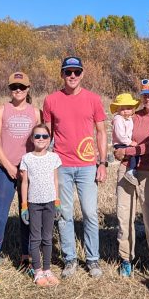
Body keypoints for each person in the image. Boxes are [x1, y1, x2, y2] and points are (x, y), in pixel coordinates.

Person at [41, 56, 108, 278]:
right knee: (65, 214)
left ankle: (93, 259)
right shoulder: (51, 100)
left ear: (82, 74)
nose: (72, 76)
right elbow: (46, 134)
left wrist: (102, 163)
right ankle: (70, 259)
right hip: (61, 166)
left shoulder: (93, 99)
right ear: (62, 74)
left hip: (88, 166)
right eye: (68, 72)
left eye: (76, 72)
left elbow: (101, 132)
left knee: (89, 213)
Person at [0, 71, 40, 282]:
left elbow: (41, 140)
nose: (18, 90)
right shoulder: (1, 110)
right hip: (6, 170)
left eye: (22, 87)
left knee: (26, 215)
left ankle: (26, 258)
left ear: (28, 89)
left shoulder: (35, 112)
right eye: (14, 87)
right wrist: (8, 166)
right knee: (0, 216)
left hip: (28, 171)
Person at [113, 80, 149, 277]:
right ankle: (126, 259)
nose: (148, 98)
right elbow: (119, 139)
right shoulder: (133, 116)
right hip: (127, 170)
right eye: (145, 95)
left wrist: (128, 150)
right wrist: (121, 150)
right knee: (124, 215)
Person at [20, 124, 63, 287]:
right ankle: (37, 271)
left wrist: (57, 201)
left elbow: (56, 180)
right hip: (33, 203)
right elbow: (24, 183)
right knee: (35, 237)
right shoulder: (27, 158)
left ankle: (47, 269)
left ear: (49, 139)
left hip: (50, 202)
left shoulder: (54, 157)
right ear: (32, 139)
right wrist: (24, 205)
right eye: (37, 136)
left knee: (47, 237)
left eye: (44, 136)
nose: (41, 139)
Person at [110, 92, 142, 186]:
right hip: (120, 142)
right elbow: (120, 135)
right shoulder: (118, 119)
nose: (126, 111)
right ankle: (131, 171)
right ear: (118, 110)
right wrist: (130, 142)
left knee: (135, 155)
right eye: (122, 109)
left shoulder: (129, 119)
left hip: (126, 141)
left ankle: (132, 169)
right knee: (133, 153)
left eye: (128, 108)